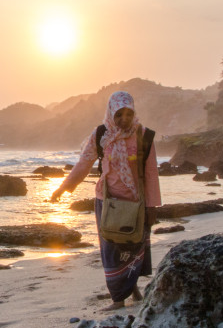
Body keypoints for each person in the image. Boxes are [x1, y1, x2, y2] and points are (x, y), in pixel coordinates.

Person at [50, 91, 161, 312]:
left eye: (129, 114)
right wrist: (63, 188)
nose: (124, 119)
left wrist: (152, 206)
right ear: (111, 112)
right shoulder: (101, 134)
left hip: (136, 205)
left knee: (133, 248)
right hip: (107, 202)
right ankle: (118, 299)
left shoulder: (144, 136)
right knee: (111, 250)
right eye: (119, 114)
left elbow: (150, 174)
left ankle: (133, 288)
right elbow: (84, 162)